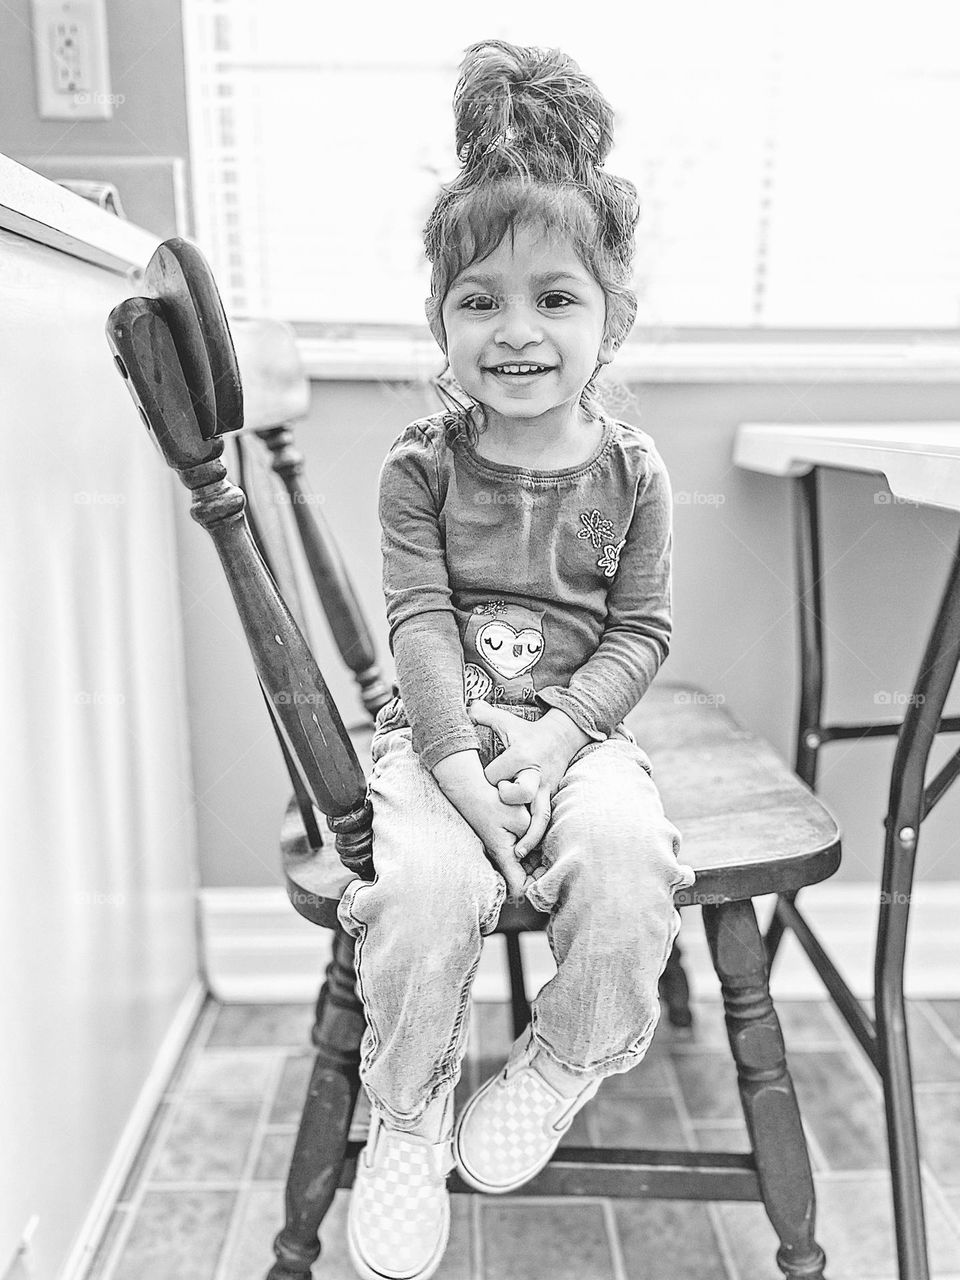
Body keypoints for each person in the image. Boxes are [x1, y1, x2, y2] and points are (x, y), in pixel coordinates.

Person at [337, 37, 696, 1280]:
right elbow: (422, 621)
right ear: (440, 319)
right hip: (440, 729)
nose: (517, 326)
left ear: (615, 318)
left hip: (573, 733)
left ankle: (560, 1063)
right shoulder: (420, 468)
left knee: (629, 860)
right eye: (479, 297)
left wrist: (550, 739)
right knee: (427, 887)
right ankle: (406, 1102)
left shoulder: (633, 473)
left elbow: (640, 630)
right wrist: (456, 760)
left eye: (557, 296)